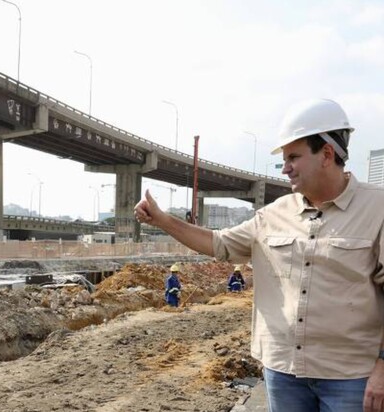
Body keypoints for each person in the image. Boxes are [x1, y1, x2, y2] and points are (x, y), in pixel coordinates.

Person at [134, 98, 384, 411]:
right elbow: (219, 243)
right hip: (284, 372)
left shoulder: (378, 209)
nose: (285, 167)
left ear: (327, 154)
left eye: (294, 156)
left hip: (351, 377)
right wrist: (162, 220)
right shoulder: (273, 215)